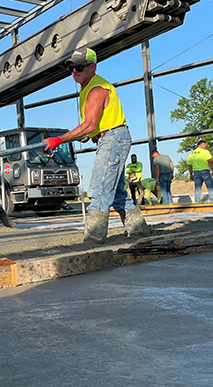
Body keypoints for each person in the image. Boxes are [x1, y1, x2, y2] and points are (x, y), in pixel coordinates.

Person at [43, 47, 150, 244]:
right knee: (116, 192)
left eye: (80, 67)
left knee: (100, 188)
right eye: (71, 68)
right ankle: (139, 230)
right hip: (111, 137)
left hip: (113, 139)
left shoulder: (96, 89)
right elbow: (94, 125)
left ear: (93, 66)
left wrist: (58, 140)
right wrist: (91, 134)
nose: (74, 71)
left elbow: (90, 123)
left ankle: (93, 238)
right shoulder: (87, 86)